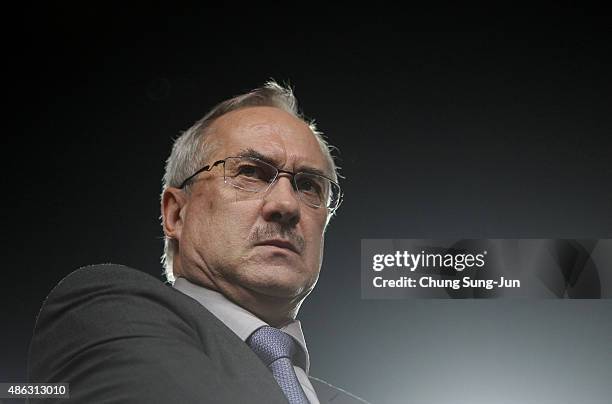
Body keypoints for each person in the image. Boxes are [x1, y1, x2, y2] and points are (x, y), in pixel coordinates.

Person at [27, 82, 368, 403]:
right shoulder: (102, 312)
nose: (286, 205)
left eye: (309, 185)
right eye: (250, 172)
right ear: (176, 213)